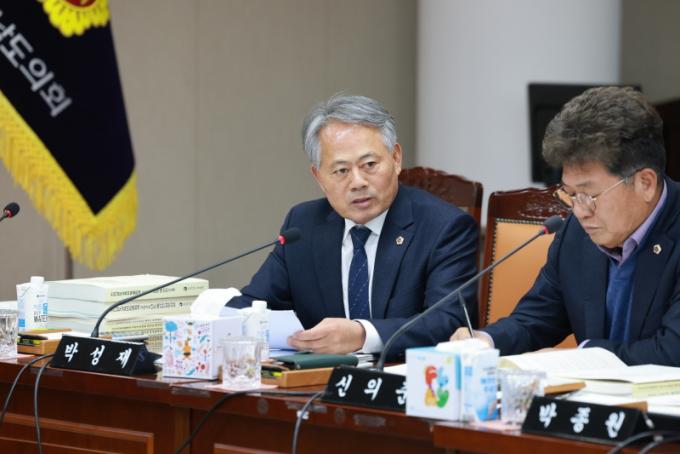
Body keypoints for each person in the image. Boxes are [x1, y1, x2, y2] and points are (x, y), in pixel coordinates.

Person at [228, 94, 478, 358]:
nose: (358, 182)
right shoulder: (303, 225)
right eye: (341, 171)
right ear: (318, 177)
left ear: (395, 159)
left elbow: (448, 322)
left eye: (369, 165)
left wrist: (362, 335)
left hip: (403, 376)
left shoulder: (444, 227)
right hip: (318, 378)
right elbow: (254, 304)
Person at [451, 86, 680, 366]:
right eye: (570, 194)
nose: (580, 211)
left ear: (646, 183)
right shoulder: (576, 233)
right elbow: (536, 318)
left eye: (590, 195)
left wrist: (579, 359)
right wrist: (485, 341)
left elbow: (671, 352)